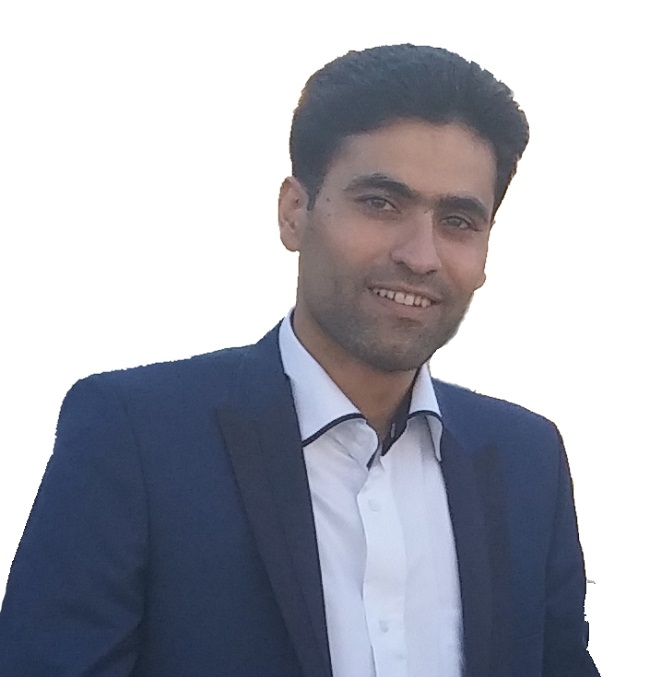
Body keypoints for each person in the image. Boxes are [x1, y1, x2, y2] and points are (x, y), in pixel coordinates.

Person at [0, 44, 599, 677]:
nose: (421, 255)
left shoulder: (527, 460)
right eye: (381, 203)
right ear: (294, 212)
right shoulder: (136, 437)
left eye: (457, 220)